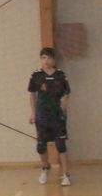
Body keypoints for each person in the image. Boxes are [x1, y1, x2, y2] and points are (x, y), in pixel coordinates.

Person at [28, 47, 71, 186]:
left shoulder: (60, 75)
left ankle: (66, 175)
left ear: (54, 60)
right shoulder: (36, 75)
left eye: (49, 58)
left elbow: (67, 93)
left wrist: (63, 106)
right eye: (43, 58)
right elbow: (32, 95)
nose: (46, 61)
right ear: (41, 59)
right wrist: (33, 113)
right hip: (42, 115)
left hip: (57, 115)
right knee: (41, 145)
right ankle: (45, 168)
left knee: (61, 145)